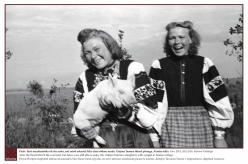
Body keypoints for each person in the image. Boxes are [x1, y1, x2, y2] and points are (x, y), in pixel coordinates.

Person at [149, 21, 234, 148]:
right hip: (170, 126)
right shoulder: (159, 66)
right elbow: (154, 103)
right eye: (172, 38)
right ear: (168, 42)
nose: (177, 42)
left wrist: (219, 136)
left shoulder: (205, 64)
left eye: (181, 37)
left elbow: (219, 99)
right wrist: (154, 137)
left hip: (201, 126)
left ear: (191, 40)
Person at [70, 28, 159, 148]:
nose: (93, 56)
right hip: (103, 142)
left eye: (97, 49)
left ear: (110, 46)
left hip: (136, 138)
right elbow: (79, 115)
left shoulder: (133, 69)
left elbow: (152, 112)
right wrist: (85, 131)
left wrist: (127, 112)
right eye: (88, 52)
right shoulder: (84, 78)